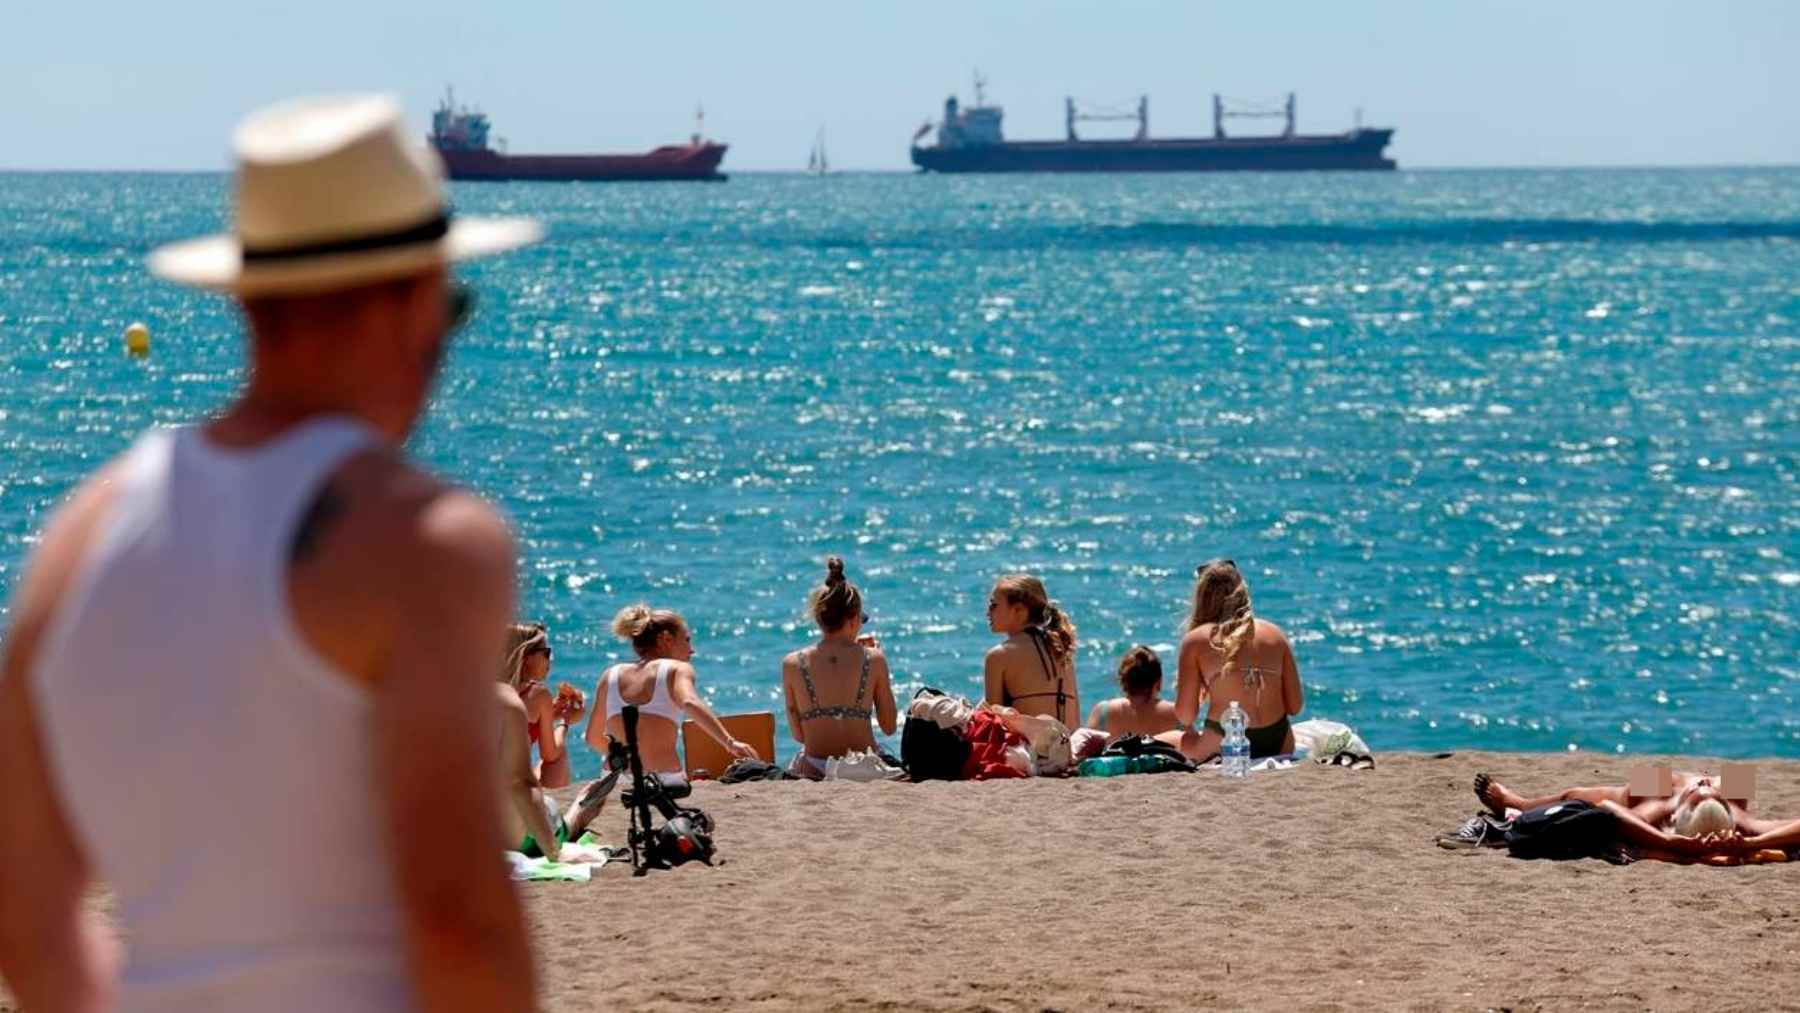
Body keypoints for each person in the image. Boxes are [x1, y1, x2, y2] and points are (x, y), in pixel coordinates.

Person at [0, 95, 543, 1010]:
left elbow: (23, 907)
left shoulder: (80, 532)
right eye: (452, 306)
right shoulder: (426, 539)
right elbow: (460, 924)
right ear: (409, 299)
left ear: (247, 300)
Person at [585, 605, 757, 781]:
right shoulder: (677, 669)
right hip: (663, 777)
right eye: (687, 640)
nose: (692, 650)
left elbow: (592, 738)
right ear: (666, 639)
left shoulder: (610, 675)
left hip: (615, 777)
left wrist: (630, 753)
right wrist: (729, 742)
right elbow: (689, 702)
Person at [1474, 771, 1798, 864]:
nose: (1702, 785)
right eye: (1703, 788)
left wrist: (1668, 841)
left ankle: (1514, 803)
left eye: (1698, 792)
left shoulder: (1660, 810)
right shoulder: (1739, 816)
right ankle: (1518, 802)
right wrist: (1755, 841)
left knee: (1577, 794)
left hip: (1663, 785)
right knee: (1739, 777)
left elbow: (1607, 810)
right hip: (1726, 784)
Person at [1167, 560, 1303, 762]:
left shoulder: (1196, 640)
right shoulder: (1276, 634)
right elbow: (1295, 706)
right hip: (1280, 742)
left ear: (1202, 598)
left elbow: (1186, 716)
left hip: (1225, 743)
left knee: (1165, 741)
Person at [781, 556, 898, 777]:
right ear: (854, 619)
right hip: (865, 764)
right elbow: (889, 726)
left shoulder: (792, 663)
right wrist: (873, 656)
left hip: (815, 767)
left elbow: (799, 735)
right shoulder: (874, 659)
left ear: (818, 619)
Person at [983, 574, 1081, 730]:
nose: (988, 612)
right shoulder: (1060, 650)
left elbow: (993, 725)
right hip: (1069, 749)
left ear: (1019, 611)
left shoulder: (999, 656)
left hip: (1028, 751)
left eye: (993, 605)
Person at [501, 622, 585, 788]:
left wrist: (550, 714)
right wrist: (564, 721)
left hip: (478, 786)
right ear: (526, 657)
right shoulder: (538, 695)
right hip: (509, 793)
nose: (550, 659)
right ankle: (549, 807)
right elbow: (550, 754)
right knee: (558, 758)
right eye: (546, 653)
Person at [1086, 645, 1180, 737]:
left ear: (1123, 680)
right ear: (1158, 682)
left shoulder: (1103, 712)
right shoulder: (1175, 714)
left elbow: (1082, 749)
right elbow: (1193, 747)